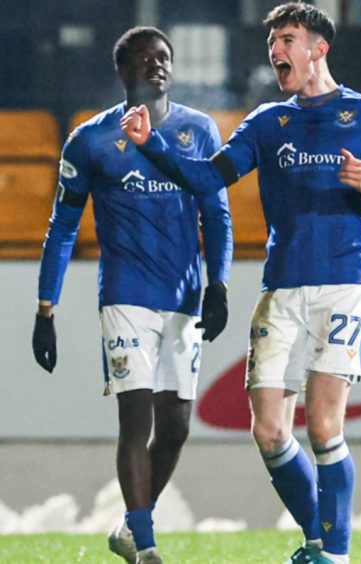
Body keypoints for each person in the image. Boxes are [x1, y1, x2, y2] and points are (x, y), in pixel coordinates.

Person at [119, 4, 361, 563]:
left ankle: (334, 553)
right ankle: (320, 537)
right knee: (268, 432)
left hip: (343, 281)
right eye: (273, 42)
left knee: (326, 424)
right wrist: (152, 146)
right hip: (281, 286)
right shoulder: (266, 122)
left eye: (287, 39)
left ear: (318, 48)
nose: (276, 50)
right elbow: (210, 176)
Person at [32, 26, 233, 564]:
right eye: (145, 59)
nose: (158, 65)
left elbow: (216, 213)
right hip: (125, 295)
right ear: (123, 71)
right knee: (136, 419)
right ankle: (146, 549)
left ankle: (127, 527)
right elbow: (63, 227)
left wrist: (219, 283)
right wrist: (45, 307)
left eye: (164, 57)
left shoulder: (199, 131)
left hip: (184, 298)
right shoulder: (91, 140)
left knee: (176, 428)